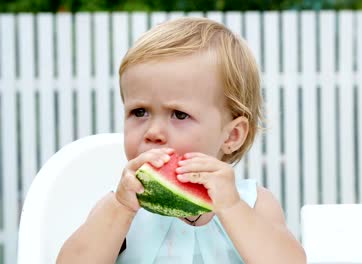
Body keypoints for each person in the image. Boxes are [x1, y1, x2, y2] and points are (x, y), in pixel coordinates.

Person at [57, 17, 306, 264]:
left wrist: (231, 206)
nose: (153, 131)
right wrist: (119, 208)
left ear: (232, 135)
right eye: (139, 112)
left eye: (179, 114)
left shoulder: (253, 203)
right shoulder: (120, 206)